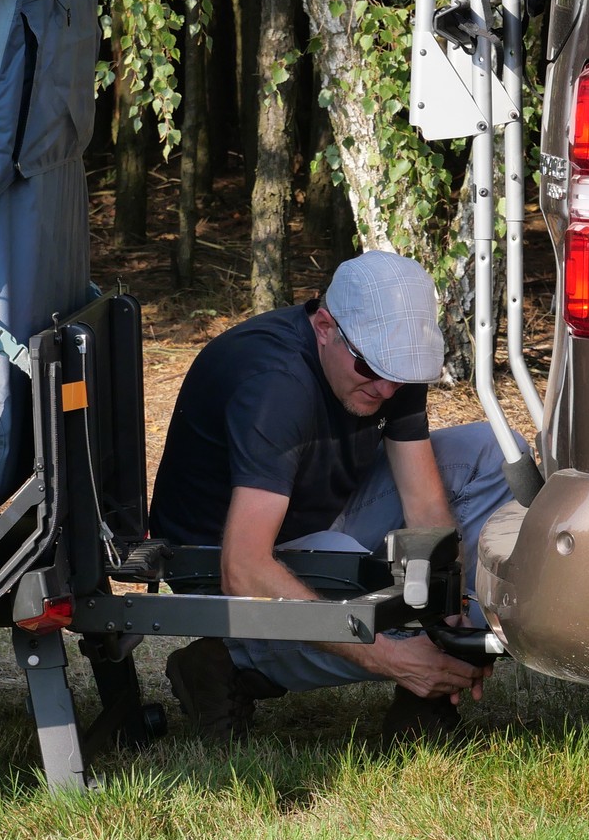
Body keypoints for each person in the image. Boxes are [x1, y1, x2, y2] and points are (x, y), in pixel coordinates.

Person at [149, 250, 523, 741]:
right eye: (372, 368)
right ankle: (225, 661)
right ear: (325, 325)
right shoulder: (274, 385)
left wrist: (450, 610)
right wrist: (390, 657)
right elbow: (242, 568)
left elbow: (426, 508)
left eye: (401, 373)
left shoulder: (384, 363)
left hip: (318, 515)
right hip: (220, 558)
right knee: (367, 579)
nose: (387, 389)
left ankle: (429, 688)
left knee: (497, 451)